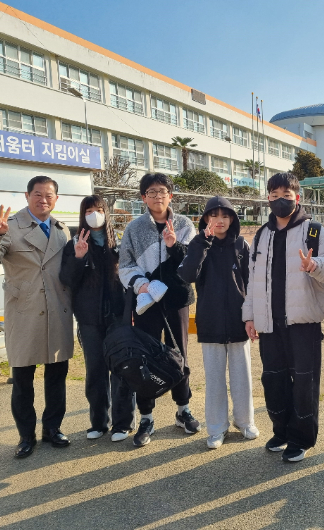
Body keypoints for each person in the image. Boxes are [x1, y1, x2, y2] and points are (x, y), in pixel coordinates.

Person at [243, 172, 324, 462]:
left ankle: (302, 437)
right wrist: (249, 315)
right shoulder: (261, 234)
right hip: (269, 322)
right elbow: (252, 281)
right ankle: (282, 430)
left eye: (285, 195)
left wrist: (314, 265)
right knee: (273, 380)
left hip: (303, 322)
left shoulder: (313, 231)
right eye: (273, 196)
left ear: (296, 197)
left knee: (304, 381)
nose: (279, 201)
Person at [0, 176, 74, 458]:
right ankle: (25, 435)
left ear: (56, 199)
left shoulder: (61, 229)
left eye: (49, 195)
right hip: (25, 313)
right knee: (22, 379)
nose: (43, 199)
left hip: (57, 311)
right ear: (27, 195)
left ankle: (52, 429)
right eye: (37, 194)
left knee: (57, 376)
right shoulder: (10, 227)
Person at [118, 173, 200, 447]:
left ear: (170, 196)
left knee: (179, 354)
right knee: (145, 356)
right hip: (146, 302)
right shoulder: (134, 228)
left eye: (162, 191)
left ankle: (183, 410)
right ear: (143, 198)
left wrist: (172, 245)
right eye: (151, 192)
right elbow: (125, 264)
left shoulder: (185, 224)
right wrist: (142, 285)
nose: (157, 196)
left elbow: (191, 262)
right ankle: (147, 416)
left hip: (176, 299)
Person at [178, 196, 258, 449]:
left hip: (238, 320)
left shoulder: (242, 245)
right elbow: (187, 274)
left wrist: (251, 315)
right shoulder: (198, 243)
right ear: (206, 219)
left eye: (225, 215)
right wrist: (203, 243)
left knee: (241, 375)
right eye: (214, 215)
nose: (219, 220)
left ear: (232, 218)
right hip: (210, 320)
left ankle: (244, 421)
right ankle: (216, 428)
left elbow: (250, 283)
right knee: (213, 379)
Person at [59, 195, 135, 442]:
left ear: (106, 213)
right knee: (95, 371)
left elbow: (128, 279)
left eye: (99, 209)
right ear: (83, 215)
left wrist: (129, 313)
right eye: (89, 210)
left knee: (121, 369)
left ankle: (123, 423)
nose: (94, 214)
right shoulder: (75, 243)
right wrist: (79, 258)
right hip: (89, 319)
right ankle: (98, 422)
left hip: (117, 317)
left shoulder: (119, 243)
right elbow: (67, 280)